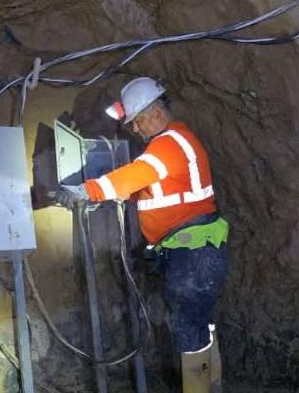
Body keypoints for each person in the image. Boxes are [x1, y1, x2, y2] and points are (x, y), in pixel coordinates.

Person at [56, 77, 229, 393]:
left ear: (156, 113)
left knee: (189, 331)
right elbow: (155, 189)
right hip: (198, 251)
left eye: (137, 122)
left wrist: (87, 190)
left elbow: (137, 174)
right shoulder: (177, 142)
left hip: (192, 253)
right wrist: (124, 195)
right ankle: (212, 386)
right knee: (198, 324)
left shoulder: (169, 144)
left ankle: (201, 389)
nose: (135, 130)